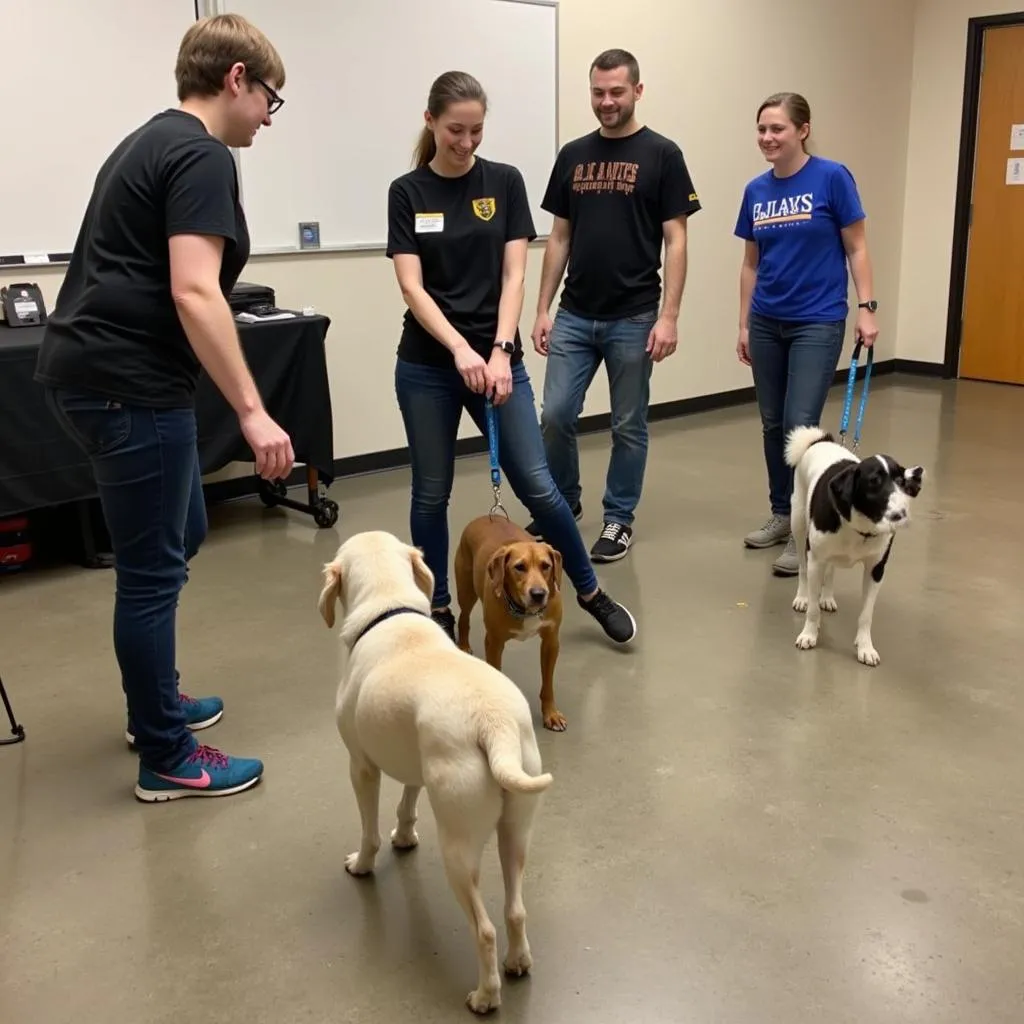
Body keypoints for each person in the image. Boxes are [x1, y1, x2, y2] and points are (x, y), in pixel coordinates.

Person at [34, 14, 294, 801]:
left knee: (182, 529)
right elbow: (193, 288)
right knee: (151, 571)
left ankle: (155, 699)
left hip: (101, 373)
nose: (268, 120)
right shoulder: (203, 153)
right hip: (128, 382)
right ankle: (166, 754)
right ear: (237, 80)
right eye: (269, 100)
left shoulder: (152, 139)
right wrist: (252, 410)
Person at [386, 70, 637, 648]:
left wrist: (499, 352)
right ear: (431, 122)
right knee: (430, 492)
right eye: (455, 130)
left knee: (542, 490)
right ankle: (440, 608)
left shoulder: (503, 181)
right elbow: (412, 288)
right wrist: (459, 350)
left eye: (476, 130)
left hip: (499, 362)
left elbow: (514, 274)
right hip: (428, 365)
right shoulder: (408, 192)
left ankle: (590, 591)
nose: (467, 142)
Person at [527, 48, 701, 563]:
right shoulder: (573, 155)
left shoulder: (663, 154)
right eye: (598, 92)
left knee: (628, 423)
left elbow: (677, 239)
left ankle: (618, 519)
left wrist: (669, 316)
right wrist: (543, 308)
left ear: (637, 92)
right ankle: (564, 503)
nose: (606, 102)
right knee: (555, 415)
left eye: (616, 92)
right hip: (576, 314)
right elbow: (559, 237)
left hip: (635, 315)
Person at [734, 91, 879, 577]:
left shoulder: (832, 178)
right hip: (768, 320)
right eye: (761, 130)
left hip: (817, 319)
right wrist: (744, 322)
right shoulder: (756, 190)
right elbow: (751, 263)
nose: (767, 138)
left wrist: (867, 307)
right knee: (773, 425)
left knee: (801, 426)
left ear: (802, 129)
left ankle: (806, 534)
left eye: (776, 128)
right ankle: (782, 513)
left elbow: (856, 247)